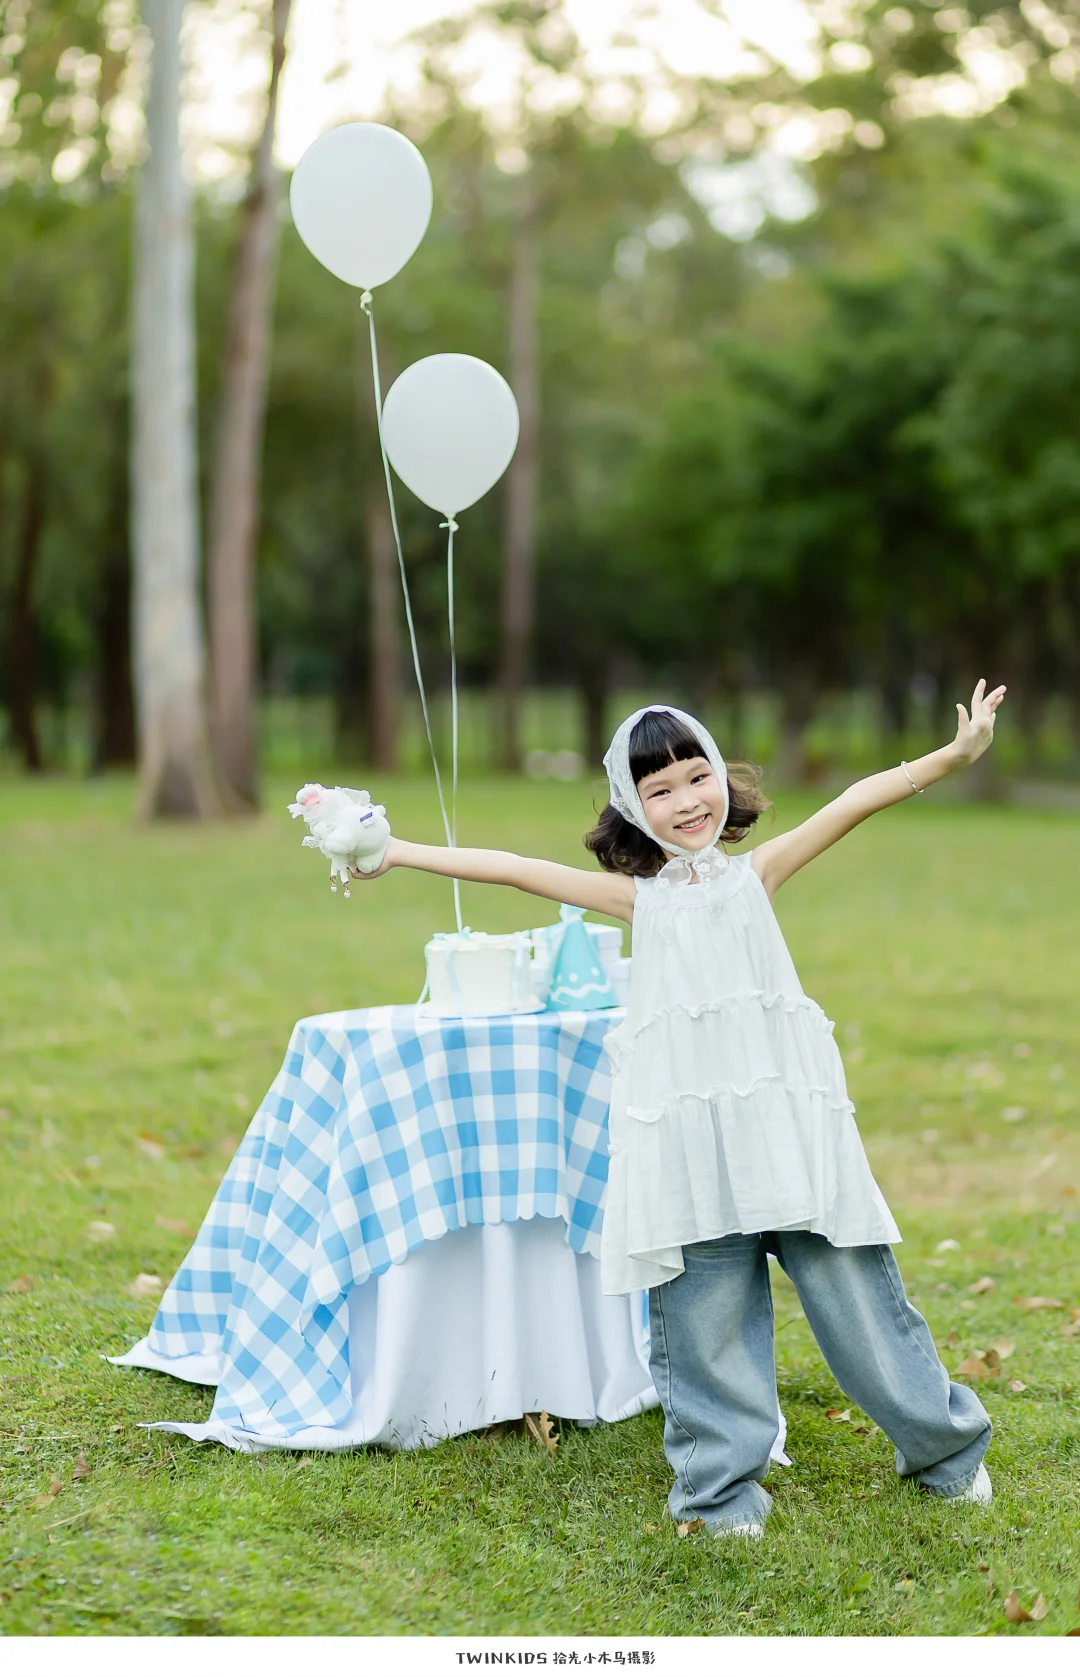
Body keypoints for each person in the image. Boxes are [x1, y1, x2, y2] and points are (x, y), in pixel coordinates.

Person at [352, 678, 1007, 1536]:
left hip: (785, 1130)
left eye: (698, 776)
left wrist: (953, 755)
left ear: (722, 780)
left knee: (859, 1305)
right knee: (705, 1324)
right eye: (659, 789)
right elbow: (512, 868)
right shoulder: (639, 901)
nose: (688, 800)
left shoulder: (757, 875)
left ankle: (945, 1452)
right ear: (633, 808)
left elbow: (852, 800)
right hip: (689, 1146)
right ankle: (721, 1492)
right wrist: (396, 850)